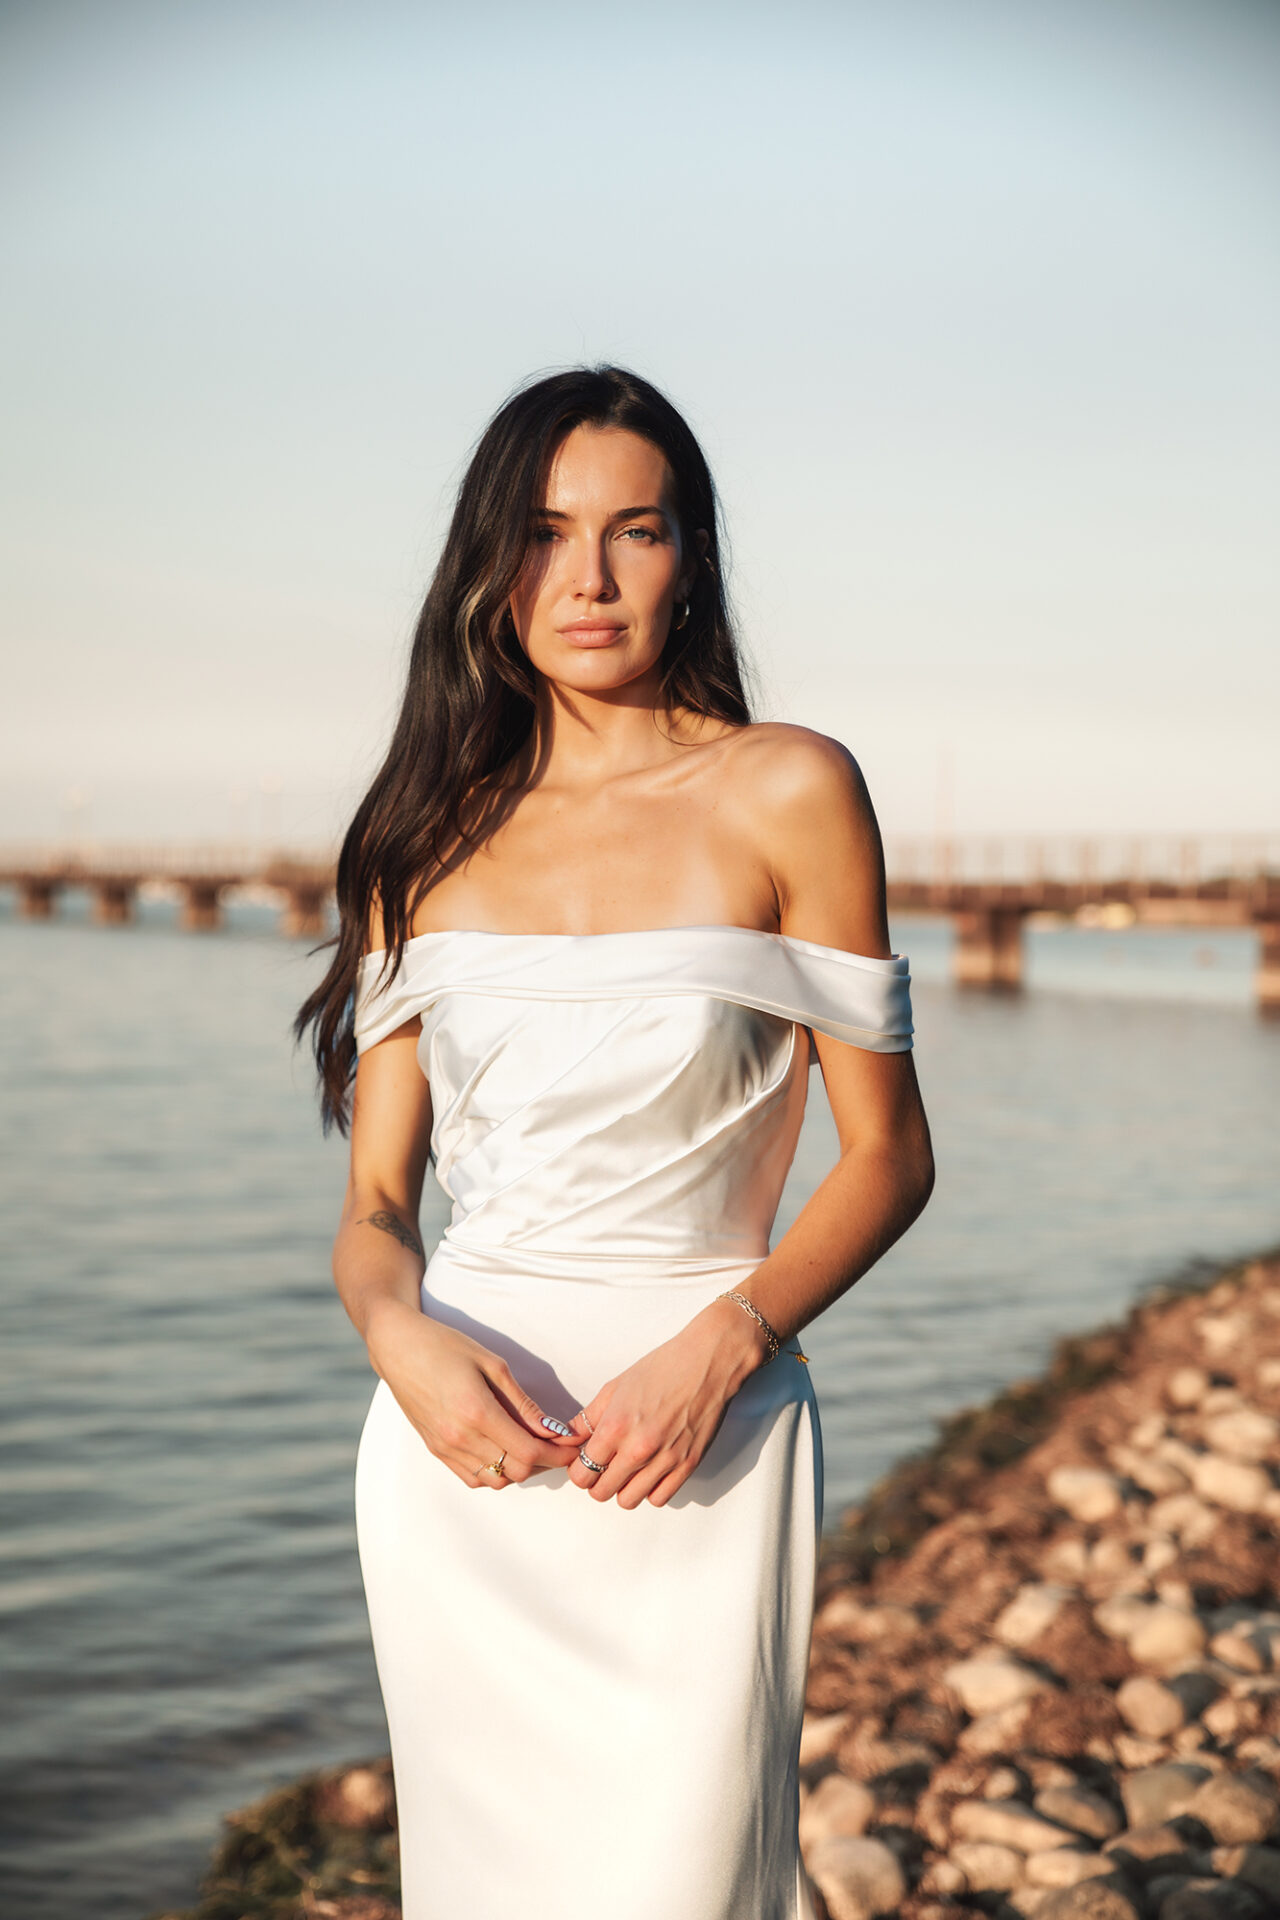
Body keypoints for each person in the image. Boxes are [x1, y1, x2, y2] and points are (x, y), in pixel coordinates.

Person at [296, 366, 934, 1920]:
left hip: (704, 1450)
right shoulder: (416, 835)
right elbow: (379, 1201)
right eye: (541, 533)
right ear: (486, 565)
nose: (584, 578)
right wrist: (400, 1337)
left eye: (633, 532)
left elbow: (888, 1159)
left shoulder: (789, 787)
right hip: (462, 1451)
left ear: (690, 557)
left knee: (684, 1882)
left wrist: (726, 1345)